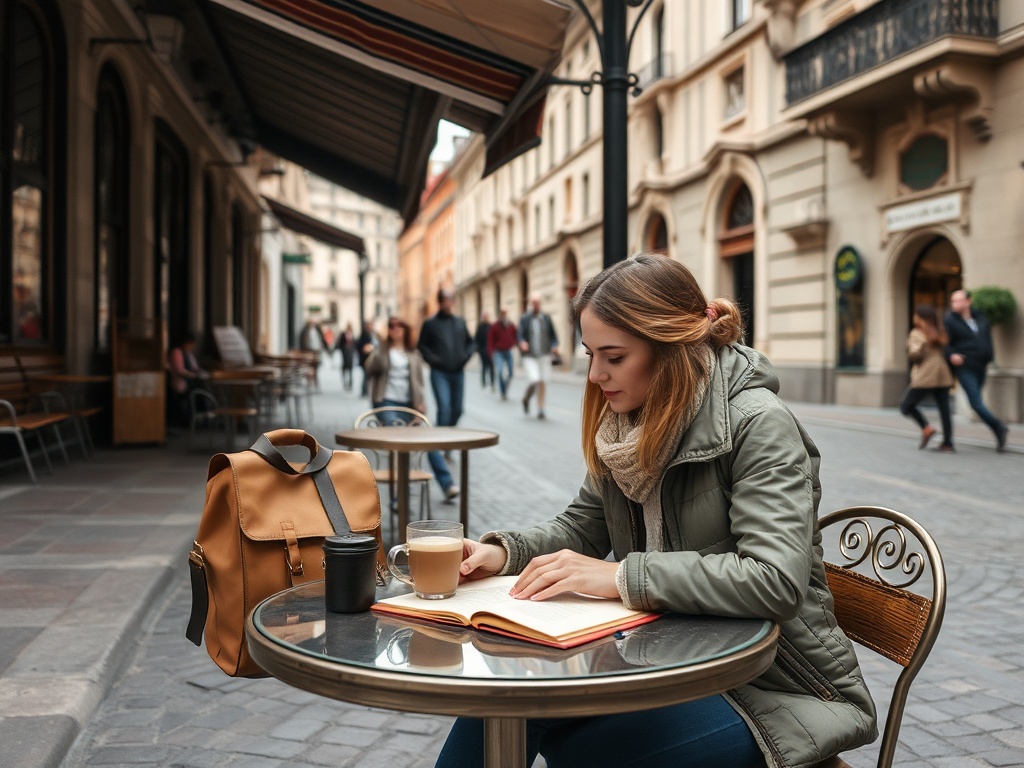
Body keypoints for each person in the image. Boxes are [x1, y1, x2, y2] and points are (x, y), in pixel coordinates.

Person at [440, 254, 877, 768]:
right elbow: (582, 526)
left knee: (583, 750)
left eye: (614, 356)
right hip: (665, 656)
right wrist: (500, 552)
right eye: (589, 354)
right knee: (500, 698)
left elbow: (774, 580)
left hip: (771, 688)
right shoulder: (628, 424)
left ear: (669, 348)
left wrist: (622, 575)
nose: (595, 374)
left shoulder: (758, 425)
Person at [363, 317, 459, 501]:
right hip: (387, 402)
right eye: (391, 326)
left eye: (399, 326)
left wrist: (421, 403)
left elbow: (419, 383)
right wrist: (381, 345)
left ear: (405, 330)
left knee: (428, 442)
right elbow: (370, 368)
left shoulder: (413, 353)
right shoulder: (383, 350)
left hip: (409, 405)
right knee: (398, 446)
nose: (396, 329)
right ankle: (397, 496)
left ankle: (447, 485)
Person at [944, 289, 1009, 452]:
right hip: (965, 366)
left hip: (981, 365)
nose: (954, 304)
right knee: (976, 402)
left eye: (958, 301)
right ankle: (999, 427)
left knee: (977, 402)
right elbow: (945, 342)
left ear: (968, 301)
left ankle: (998, 430)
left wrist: (990, 356)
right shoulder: (949, 321)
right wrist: (952, 355)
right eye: (953, 301)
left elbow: (986, 339)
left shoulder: (981, 318)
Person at [417, 288, 474, 428]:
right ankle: (440, 445)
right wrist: (433, 360)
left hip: (458, 372)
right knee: (444, 409)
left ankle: (446, 438)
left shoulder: (460, 322)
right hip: (439, 372)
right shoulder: (430, 324)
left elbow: (471, 343)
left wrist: (465, 356)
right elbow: (422, 346)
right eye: (445, 301)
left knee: (458, 410)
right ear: (440, 302)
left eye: (450, 300)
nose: (447, 304)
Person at [900, 305, 955, 452]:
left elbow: (915, 355)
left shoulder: (917, 333)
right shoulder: (940, 332)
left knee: (906, 406)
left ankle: (926, 428)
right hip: (942, 373)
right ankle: (948, 443)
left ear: (919, 317)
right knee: (944, 410)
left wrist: (913, 349)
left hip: (925, 374)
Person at [517, 292, 559, 419]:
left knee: (542, 381)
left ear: (540, 304)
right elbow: (519, 335)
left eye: (537, 302)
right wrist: (522, 342)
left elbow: (554, 336)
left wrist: (554, 345)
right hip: (530, 355)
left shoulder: (546, 318)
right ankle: (526, 398)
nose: (535, 304)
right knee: (534, 379)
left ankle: (540, 408)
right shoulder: (525, 318)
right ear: (531, 303)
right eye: (533, 302)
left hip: (544, 354)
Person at [166, 331, 210, 427]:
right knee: (199, 392)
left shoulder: (188, 354)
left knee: (204, 391)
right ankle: (196, 419)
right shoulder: (176, 352)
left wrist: (200, 373)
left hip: (191, 381)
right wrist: (193, 375)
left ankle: (203, 418)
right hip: (181, 383)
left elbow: (195, 367)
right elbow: (179, 370)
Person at [488, 306, 518, 400]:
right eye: (502, 313)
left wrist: (514, 344)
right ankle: (502, 391)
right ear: (500, 314)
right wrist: (491, 352)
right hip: (498, 352)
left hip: (508, 350)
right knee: (500, 372)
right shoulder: (495, 326)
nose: (504, 315)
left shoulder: (510, 325)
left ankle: (504, 387)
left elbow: (516, 335)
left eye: (505, 313)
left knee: (511, 373)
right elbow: (490, 340)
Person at [356, 320, 379, 397]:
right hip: (365, 359)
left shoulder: (373, 335)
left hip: (372, 358)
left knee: (368, 376)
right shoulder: (364, 335)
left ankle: (366, 390)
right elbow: (361, 348)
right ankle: (364, 391)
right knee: (366, 376)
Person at [474, 311, 495, 391]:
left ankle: (492, 381)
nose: (486, 318)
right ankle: (483, 381)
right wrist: (478, 349)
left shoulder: (491, 326)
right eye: (484, 316)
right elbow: (477, 338)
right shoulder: (480, 326)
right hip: (482, 349)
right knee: (484, 366)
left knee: (491, 365)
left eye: (487, 316)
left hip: (490, 349)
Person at [336, 322, 357, 392]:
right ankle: (345, 382)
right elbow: (340, 343)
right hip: (345, 354)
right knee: (345, 368)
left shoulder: (352, 334)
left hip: (350, 353)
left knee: (350, 369)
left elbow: (354, 344)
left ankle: (350, 383)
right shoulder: (343, 334)